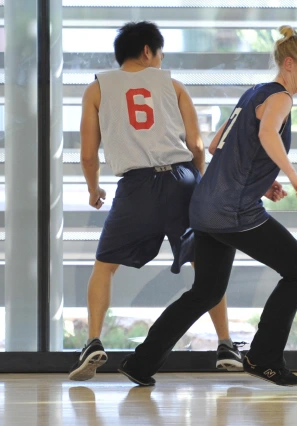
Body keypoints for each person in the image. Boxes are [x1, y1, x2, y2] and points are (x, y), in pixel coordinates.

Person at [118, 25, 297, 387]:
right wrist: (293, 177)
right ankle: (264, 358)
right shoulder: (281, 98)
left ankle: (141, 362)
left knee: (207, 291)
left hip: (206, 207)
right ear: (289, 64)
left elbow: (217, 146)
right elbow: (265, 135)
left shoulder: (253, 93)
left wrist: (264, 182)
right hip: (233, 212)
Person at [69, 21, 243, 381]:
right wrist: (199, 184)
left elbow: (88, 153)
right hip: (182, 179)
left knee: (105, 266)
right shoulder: (173, 85)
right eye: (160, 53)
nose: (161, 60)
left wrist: (93, 188)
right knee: (205, 266)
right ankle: (226, 344)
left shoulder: (97, 89)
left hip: (136, 186)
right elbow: (196, 145)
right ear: (148, 51)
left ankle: (93, 341)